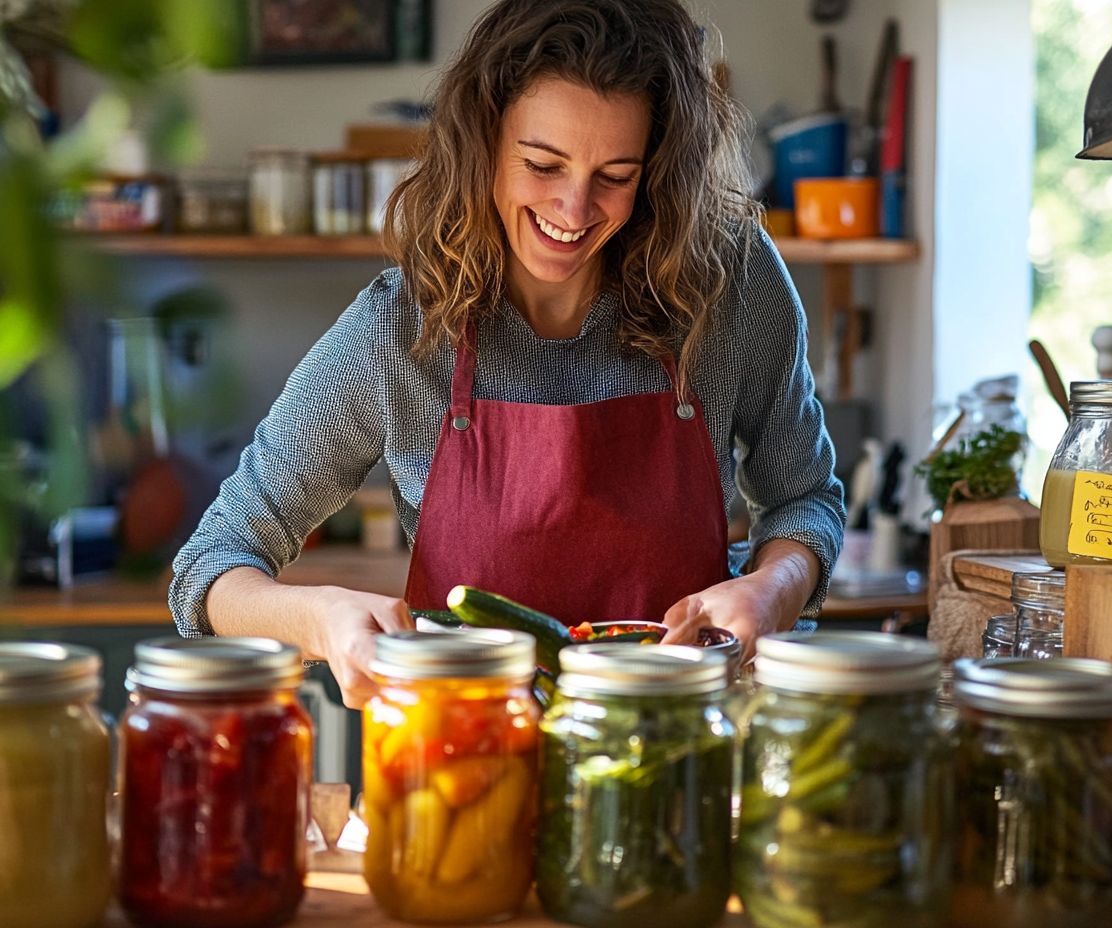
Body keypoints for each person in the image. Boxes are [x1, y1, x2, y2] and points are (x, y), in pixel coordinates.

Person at [170, 0, 845, 708]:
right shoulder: (399, 329)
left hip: (676, 747)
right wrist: (320, 618)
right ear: (485, 140)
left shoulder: (728, 283)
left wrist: (771, 590)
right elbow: (209, 567)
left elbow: (804, 500)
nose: (574, 209)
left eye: (615, 175)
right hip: (464, 761)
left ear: (658, 171)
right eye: (544, 164)